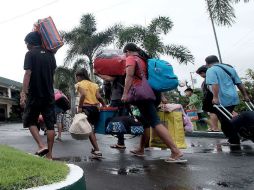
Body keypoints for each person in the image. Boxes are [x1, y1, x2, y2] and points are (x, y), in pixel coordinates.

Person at [121, 43, 185, 163]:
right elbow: (152, 79)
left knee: (155, 122)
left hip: (142, 94)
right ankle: (141, 148)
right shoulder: (145, 60)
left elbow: (129, 76)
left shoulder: (131, 58)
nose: (125, 55)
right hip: (153, 93)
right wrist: (162, 95)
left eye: (125, 53)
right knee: (146, 122)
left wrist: (125, 94)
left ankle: (175, 151)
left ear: (128, 51)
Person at [20, 31, 56, 160]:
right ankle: (50, 155)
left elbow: (28, 73)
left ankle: (41, 145)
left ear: (30, 43)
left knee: (30, 120)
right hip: (49, 94)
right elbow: (52, 73)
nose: (26, 46)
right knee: (50, 125)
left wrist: (24, 93)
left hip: (35, 94)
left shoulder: (30, 54)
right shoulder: (50, 55)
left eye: (26, 43)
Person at [205, 55, 250, 144]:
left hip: (222, 98)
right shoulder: (230, 68)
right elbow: (239, 83)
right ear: (217, 61)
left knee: (225, 121)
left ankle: (235, 138)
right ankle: (237, 136)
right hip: (233, 97)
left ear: (207, 63)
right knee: (226, 118)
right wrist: (245, 95)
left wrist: (215, 97)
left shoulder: (211, 70)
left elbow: (214, 84)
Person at [75, 68, 106, 158]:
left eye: (77, 77)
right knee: (91, 129)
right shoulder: (94, 85)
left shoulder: (79, 84)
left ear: (79, 76)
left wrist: (80, 107)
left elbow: (83, 95)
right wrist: (104, 104)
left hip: (86, 108)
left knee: (89, 130)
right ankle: (95, 149)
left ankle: (97, 150)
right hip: (95, 108)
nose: (77, 79)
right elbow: (99, 97)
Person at [97, 74, 128, 149]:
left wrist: (98, 74)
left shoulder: (116, 73)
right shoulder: (125, 73)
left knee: (116, 120)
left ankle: (120, 142)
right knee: (121, 120)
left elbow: (108, 80)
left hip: (116, 99)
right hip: (125, 99)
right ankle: (121, 142)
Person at [196, 65, 220, 132]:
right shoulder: (207, 79)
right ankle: (214, 127)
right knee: (212, 113)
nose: (201, 75)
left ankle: (215, 128)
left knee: (212, 112)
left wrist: (214, 97)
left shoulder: (209, 78)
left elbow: (211, 88)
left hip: (211, 97)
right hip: (212, 97)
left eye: (201, 73)